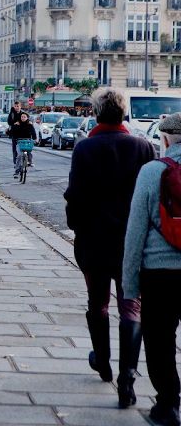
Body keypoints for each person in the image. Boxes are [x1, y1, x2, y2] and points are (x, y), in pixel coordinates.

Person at [64, 88, 155, 409]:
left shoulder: (86, 148)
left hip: (93, 239)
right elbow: (150, 197)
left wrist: (76, 226)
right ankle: (127, 376)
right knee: (131, 306)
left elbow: (74, 195)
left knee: (97, 302)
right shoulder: (143, 147)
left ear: (96, 113)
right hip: (132, 241)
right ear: (124, 113)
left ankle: (102, 360)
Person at [123, 112, 181, 426]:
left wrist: (130, 285)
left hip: (158, 272)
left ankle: (168, 404)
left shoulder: (152, 171)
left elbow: (135, 232)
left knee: (160, 341)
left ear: (167, 139)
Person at [11, 111, 36, 178]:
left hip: (27, 142)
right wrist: (14, 126)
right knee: (19, 155)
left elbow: (33, 133)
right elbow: (13, 132)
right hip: (19, 142)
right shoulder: (17, 124)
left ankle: (30, 162)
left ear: (27, 118)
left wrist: (35, 138)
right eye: (22, 116)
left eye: (24, 117)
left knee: (29, 152)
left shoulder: (30, 125)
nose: (23, 118)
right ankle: (16, 171)